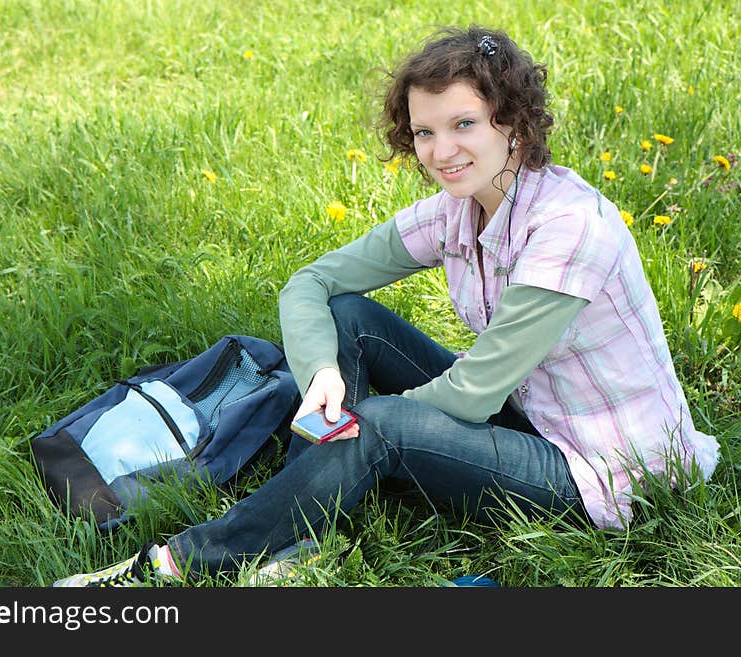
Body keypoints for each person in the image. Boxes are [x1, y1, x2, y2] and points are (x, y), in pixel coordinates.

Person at [53, 25, 720, 587]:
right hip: (534, 413)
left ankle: (172, 564)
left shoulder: (568, 229)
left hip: (605, 471)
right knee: (349, 316)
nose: (440, 151)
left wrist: (361, 423)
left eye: (463, 124)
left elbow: (471, 396)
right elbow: (311, 283)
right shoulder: (459, 208)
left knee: (381, 426)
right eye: (424, 131)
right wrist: (321, 376)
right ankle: (303, 530)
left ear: (511, 123)